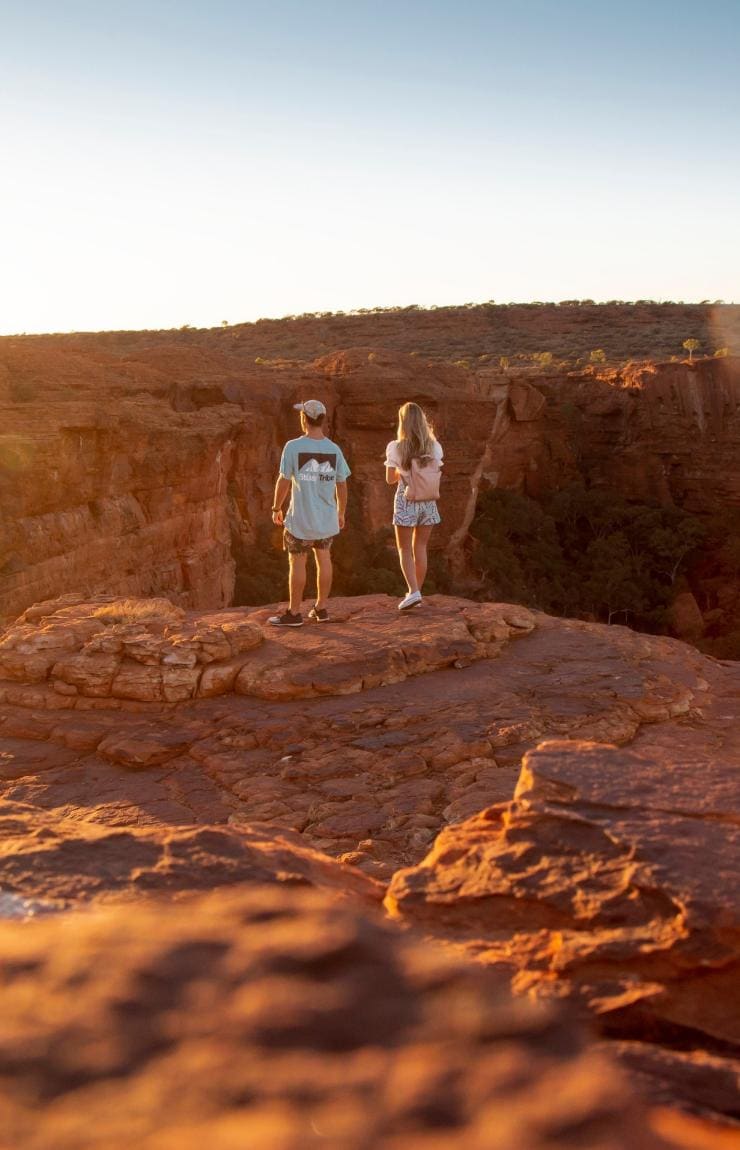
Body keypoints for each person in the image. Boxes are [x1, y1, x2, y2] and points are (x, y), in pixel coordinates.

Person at [268, 399, 350, 627]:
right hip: (326, 518)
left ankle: (294, 613)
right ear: (322, 420)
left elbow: (284, 480)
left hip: (300, 519)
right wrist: (341, 512)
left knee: (297, 563)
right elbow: (342, 484)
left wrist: (276, 507)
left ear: (304, 419)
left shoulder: (293, 447)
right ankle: (321, 609)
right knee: (324, 560)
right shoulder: (334, 449)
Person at [385, 402, 443, 611]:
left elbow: (390, 480)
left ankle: (413, 591)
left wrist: (403, 471)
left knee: (404, 548)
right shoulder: (434, 446)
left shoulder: (396, 447)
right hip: (428, 501)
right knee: (421, 547)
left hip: (406, 499)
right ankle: (416, 592)